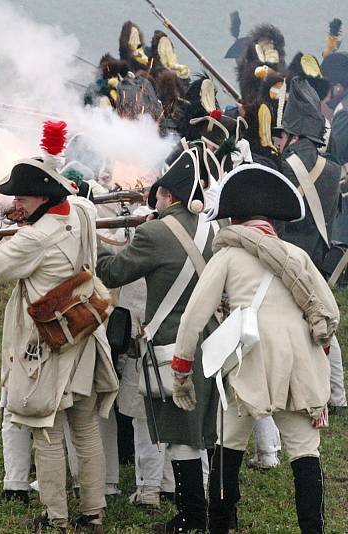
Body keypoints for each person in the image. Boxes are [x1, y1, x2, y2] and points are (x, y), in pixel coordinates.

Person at [0, 156, 119, 533]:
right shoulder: (81, 211)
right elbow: (56, 208)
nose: (17, 203)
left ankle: (56, 518)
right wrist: (0, 213)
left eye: (22, 197)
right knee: (86, 429)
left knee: (47, 433)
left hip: (50, 344)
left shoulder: (35, 238)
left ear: (42, 197)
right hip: (85, 335)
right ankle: (93, 514)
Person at [171, 163, 339, 534]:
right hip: (300, 364)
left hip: (250, 364)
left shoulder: (228, 256)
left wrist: (181, 371)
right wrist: (320, 360)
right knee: (305, 456)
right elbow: (329, 313)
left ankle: (221, 527)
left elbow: (192, 318)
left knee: (228, 449)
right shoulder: (296, 255)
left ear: (234, 218)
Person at [96, 146, 219, 534]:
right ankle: (203, 510)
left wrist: (90, 240)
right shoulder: (213, 229)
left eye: (160, 193)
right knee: (201, 432)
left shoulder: (152, 232)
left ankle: (191, 519)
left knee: (182, 437)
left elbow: (112, 274)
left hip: (172, 347)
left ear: (168, 195)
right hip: (210, 342)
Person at [274, 76, 347, 417]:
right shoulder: (332, 171)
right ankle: (337, 394)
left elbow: (275, 222)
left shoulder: (281, 169)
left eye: (283, 134)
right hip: (316, 259)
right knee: (324, 322)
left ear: (294, 135)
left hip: (286, 260)